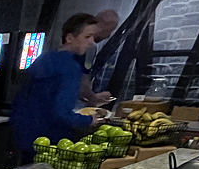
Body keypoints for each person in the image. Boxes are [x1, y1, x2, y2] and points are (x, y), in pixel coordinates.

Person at [10, 13, 104, 161]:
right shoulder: (70, 67)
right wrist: (89, 120)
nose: (91, 42)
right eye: (87, 36)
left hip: (25, 137)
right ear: (69, 38)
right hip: (51, 141)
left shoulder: (44, 58)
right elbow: (61, 113)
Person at [80, 9, 119, 106]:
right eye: (109, 31)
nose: (108, 36)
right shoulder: (89, 46)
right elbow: (83, 77)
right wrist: (92, 98)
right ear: (103, 26)